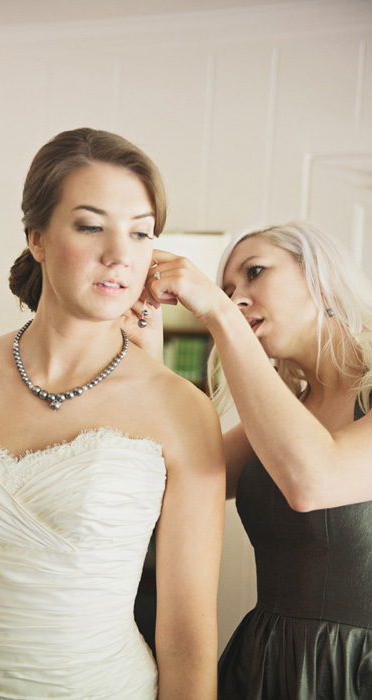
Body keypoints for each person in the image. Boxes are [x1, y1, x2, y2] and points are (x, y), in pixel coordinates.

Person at [0, 127, 225, 700]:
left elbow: (186, 638)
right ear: (38, 238)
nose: (119, 255)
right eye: (90, 225)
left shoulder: (181, 409)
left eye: (141, 233)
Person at [144, 221, 372, 699]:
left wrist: (217, 313)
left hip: (354, 672)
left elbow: (314, 480)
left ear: (320, 279)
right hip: (265, 661)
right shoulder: (288, 413)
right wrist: (145, 339)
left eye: (254, 272)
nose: (235, 298)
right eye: (227, 290)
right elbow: (168, 477)